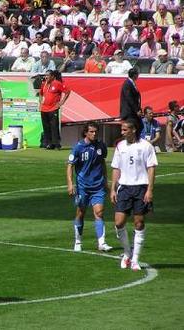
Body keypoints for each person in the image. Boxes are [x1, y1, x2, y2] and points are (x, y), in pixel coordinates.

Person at [110, 119, 158, 271]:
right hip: (124, 188)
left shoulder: (146, 146)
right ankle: (127, 253)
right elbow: (116, 168)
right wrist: (112, 188)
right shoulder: (120, 146)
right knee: (118, 223)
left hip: (140, 188)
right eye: (122, 129)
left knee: (139, 222)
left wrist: (150, 190)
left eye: (125, 130)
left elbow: (151, 168)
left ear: (134, 130)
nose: (122, 132)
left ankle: (135, 259)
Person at [67, 122, 112, 252]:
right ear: (86, 132)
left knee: (99, 213)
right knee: (80, 213)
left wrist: (105, 180)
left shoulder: (101, 146)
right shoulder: (78, 147)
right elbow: (70, 165)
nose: (94, 134)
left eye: (96, 131)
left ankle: (102, 243)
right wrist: (70, 183)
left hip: (98, 185)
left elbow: (102, 162)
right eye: (91, 132)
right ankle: (78, 241)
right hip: (83, 186)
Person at [39, 70, 70, 150]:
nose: (46, 77)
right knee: (46, 127)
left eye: (48, 75)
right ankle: (49, 144)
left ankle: (56, 144)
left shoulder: (57, 83)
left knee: (54, 126)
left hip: (53, 108)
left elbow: (67, 91)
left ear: (52, 76)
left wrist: (62, 102)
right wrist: (40, 103)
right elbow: (40, 93)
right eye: (45, 75)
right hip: (44, 109)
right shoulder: (44, 84)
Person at [120, 68, 142, 137]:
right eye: (137, 74)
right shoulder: (127, 84)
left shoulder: (132, 83)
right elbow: (129, 99)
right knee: (132, 129)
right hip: (129, 112)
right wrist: (136, 110)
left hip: (133, 112)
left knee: (139, 127)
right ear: (134, 75)